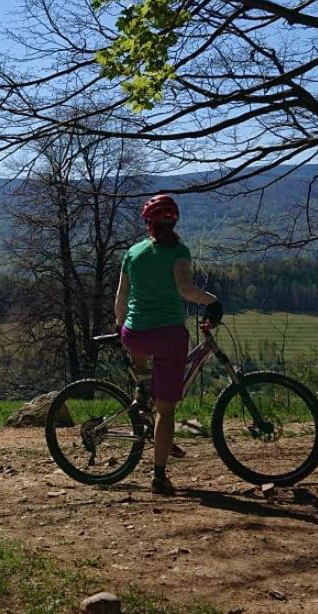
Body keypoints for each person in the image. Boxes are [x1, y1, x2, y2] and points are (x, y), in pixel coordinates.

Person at [114, 193, 222, 496]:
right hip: (168, 336)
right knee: (168, 410)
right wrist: (213, 301)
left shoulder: (133, 252)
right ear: (174, 221)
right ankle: (159, 475)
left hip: (134, 333)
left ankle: (141, 391)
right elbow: (185, 289)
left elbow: (121, 299)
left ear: (148, 224)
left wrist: (120, 326)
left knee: (143, 362)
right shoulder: (179, 251)